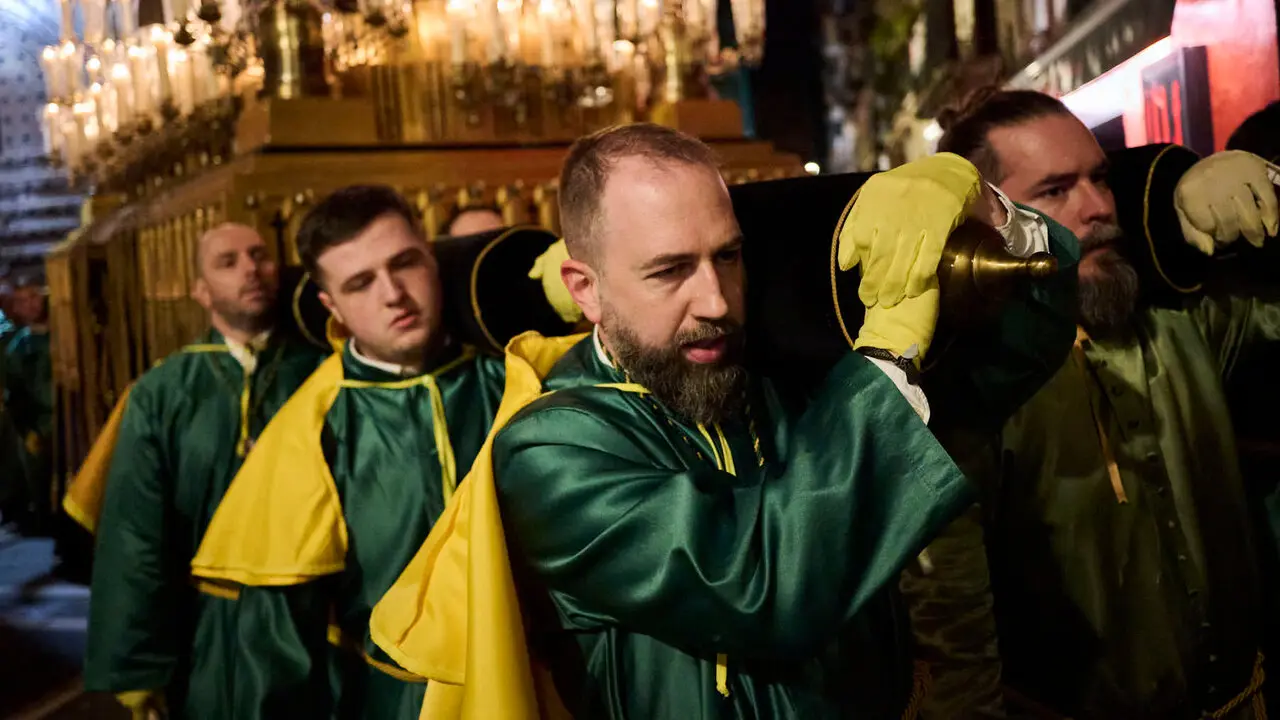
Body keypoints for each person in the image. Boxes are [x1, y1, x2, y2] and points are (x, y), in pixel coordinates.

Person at [369, 123, 1082, 718]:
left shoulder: (773, 379)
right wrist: (889, 355)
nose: (714, 299)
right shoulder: (549, 445)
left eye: (729, 257)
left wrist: (996, 215)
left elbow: (1006, 363)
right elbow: (760, 586)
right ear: (584, 289)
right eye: (669, 271)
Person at [933, 88, 1280, 718]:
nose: (1097, 208)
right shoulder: (968, 398)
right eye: (1056, 191)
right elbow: (951, 637)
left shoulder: (1182, 325)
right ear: (987, 223)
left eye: (1101, 178)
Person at [190, 186, 507, 719]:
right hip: (394, 703)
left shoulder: (513, 377)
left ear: (432, 257)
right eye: (360, 283)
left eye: (404, 263)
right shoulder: (314, 430)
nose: (393, 294)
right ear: (330, 306)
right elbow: (277, 643)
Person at [84, 224, 327, 720]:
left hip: (318, 620)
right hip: (211, 628)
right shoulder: (162, 392)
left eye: (259, 255)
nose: (249, 269)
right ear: (200, 290)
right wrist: (139, 668)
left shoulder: (325, 371)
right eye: (227, 261)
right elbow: (136, 535)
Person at [4, 276, 53, 534]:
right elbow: (16, 396)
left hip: (65, 421)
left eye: (34, 296)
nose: (31, 305)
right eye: (23, 300)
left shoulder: (63, 336)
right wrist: (28, 431)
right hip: (38, 426)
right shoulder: (20, 347)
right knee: (41, 483)